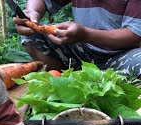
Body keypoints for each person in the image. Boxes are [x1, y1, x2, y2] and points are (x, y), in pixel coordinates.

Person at [13, 0, 141, 79]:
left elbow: (133, 36)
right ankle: (62, 80)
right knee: (32, 35)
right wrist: (31, 12)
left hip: (120, 56)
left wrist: (86, 35)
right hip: (81, 50)